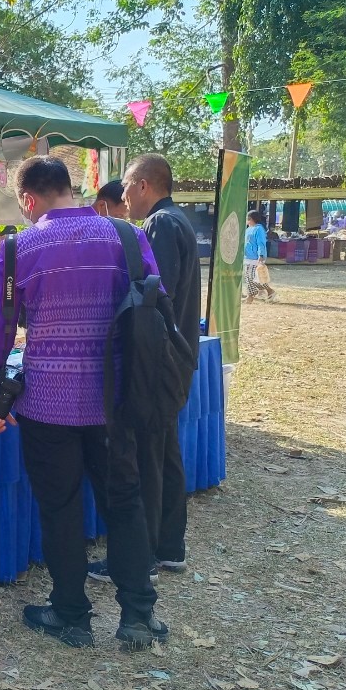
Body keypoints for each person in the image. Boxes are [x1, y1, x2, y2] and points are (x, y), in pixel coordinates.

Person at [0, 156, 164, 650]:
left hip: (47, 403)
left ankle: (71, 614)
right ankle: (138, 615)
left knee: (59, 509)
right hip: (116, 399)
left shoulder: (20, 247)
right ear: (71, 188)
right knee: (124, 502)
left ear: (28, 200)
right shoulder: (125, 236)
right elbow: (155, 303)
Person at [115, 153, 200, 581]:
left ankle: (141, 555)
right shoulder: (177, 221)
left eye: (127, 186)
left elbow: (150, 296)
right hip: (175, 354)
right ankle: (169, 546)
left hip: (158, 356)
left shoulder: (161, 226)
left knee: (148, 456)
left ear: (144, 185)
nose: (124, 196)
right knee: (165, 451)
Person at [243, 210, 276, 302]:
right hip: (247, 257)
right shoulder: (248, 229)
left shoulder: (259, 229)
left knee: (252, 277)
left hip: (255, 257)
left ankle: (254, 294)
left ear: (251, 219)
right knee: (249, 277)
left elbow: (261, 243)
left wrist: (260, 255)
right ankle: (262, 293)